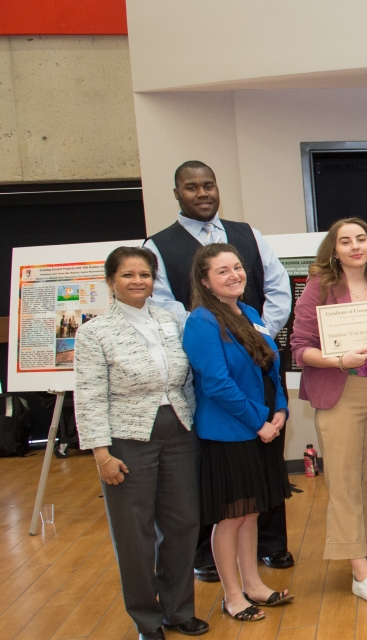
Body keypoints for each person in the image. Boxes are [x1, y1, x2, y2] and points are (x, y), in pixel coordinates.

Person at [143, 160, 295, 580]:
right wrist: (227, 331)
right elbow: (167, 309)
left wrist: (254, 337)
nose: (202, 193)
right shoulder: (159, 246)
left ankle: (269, 551)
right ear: (177, 193)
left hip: (255, 366)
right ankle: (217, 567)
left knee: (261, 484)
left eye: (208, 185)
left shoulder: (248, 237)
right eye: (191, 187)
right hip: (222, 395)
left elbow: (279, 289)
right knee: (228, 497)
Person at [75, 247, 209, 640]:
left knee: (183, 522)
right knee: (135, 534)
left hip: (180, 432)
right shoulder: (93, 332)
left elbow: (187, 380)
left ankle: (178, 610)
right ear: (111, 281)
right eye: (128, 275)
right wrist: (101, 453)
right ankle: (146, 621)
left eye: (145, 274)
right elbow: (89, 396)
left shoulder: (170, 320)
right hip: (126, 439)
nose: (138, 281)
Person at [292, 218, 367, 604]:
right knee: (343, 480)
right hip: (340, 390)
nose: (355, 246)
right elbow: (299, 348)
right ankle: (358, 570)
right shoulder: (319, 287)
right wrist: (339, 358)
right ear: (334, 249)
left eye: (361, 239)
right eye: (346, 241)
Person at [182, 243, 294, 623]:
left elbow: (270, 364)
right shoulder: (201, 321)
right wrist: (258, 421)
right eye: (222, 271)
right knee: (230, 517)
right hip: (230, 433)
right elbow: (216, 383)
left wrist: (280, 409)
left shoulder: (248, 312)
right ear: (205, 281)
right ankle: (232, 596)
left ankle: (254, 585)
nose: (234, 275)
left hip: (262, 426)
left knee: (251, 512)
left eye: (237, 267)